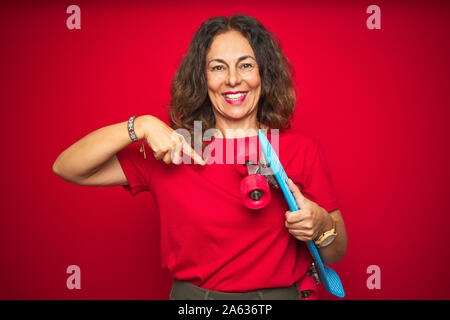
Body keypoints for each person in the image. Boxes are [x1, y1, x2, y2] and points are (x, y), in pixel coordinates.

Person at [52, 14, 347, 300]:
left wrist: (320, 223)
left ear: (263, 73)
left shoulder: (301, 149)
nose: (233, 80)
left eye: (246, 65)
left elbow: (336, 252)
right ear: (202, 78)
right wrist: (140, 125)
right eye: (218, 68)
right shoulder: (173, 148)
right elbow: (67, 167)